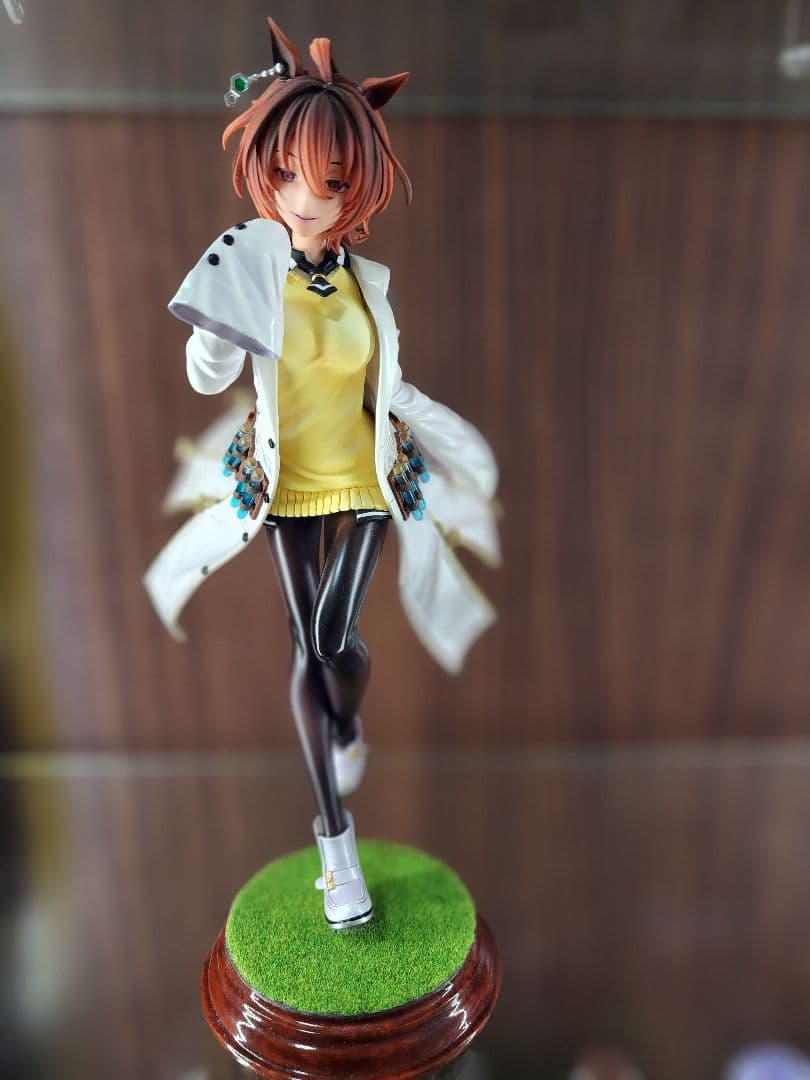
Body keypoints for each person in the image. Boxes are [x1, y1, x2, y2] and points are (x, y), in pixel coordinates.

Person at [144, 17, 500, 931]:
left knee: (338, 638)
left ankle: (347, 721)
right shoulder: (248, 270)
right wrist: (213, 336)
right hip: (285, 479)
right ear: (261, 172)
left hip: (372, 474)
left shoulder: (366, 283)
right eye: (288, 175)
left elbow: (386, 380)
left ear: (359, 188)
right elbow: (208, 378)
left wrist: (437, 427)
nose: (307, 198)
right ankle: (336, 846)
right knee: (310, 645)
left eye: (332, 181)